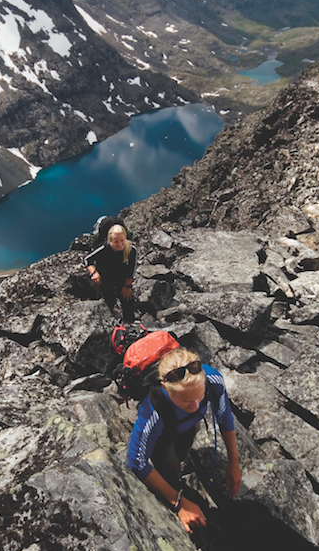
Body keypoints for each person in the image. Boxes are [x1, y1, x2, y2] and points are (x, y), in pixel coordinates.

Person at [127, 347, 242, 533]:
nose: (196, 405)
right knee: (169, 471)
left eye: (200, 396)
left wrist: (233, 461)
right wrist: (179, 502)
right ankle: (173, 482)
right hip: (163, 434)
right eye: (188, 402)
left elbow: (224, 415)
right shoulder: (153, 411)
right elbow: (136, 461)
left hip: (187, 425)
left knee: (186, 440)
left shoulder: (212, 378)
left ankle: (179, 465)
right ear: (167, 389)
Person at [85, 223, 137, 322]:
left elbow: (131, 269)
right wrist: (93, 272)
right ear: (110, 241)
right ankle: (110, 322)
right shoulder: (104, 248)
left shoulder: (131, 250)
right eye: (116, 242)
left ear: (126, 238)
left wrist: (127, 286)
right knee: (109, 298)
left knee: (127, 299)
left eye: (122, 240)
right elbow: (88, 260)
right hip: (105, 274)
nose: (120, 244)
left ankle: (130, 324)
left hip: (121, 275)